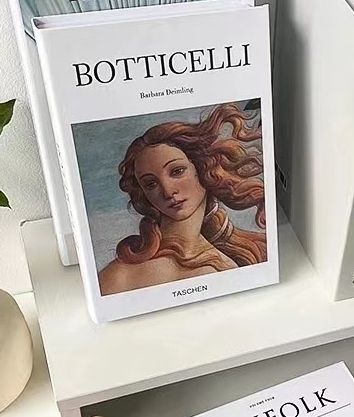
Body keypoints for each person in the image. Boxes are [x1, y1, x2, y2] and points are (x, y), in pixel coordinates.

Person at [98, 102, 267, 295]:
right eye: (151, 184)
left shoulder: (227, 266)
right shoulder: (119, 276)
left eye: (177, 171)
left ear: (202, 168)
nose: (168, 191)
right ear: (144, 194)